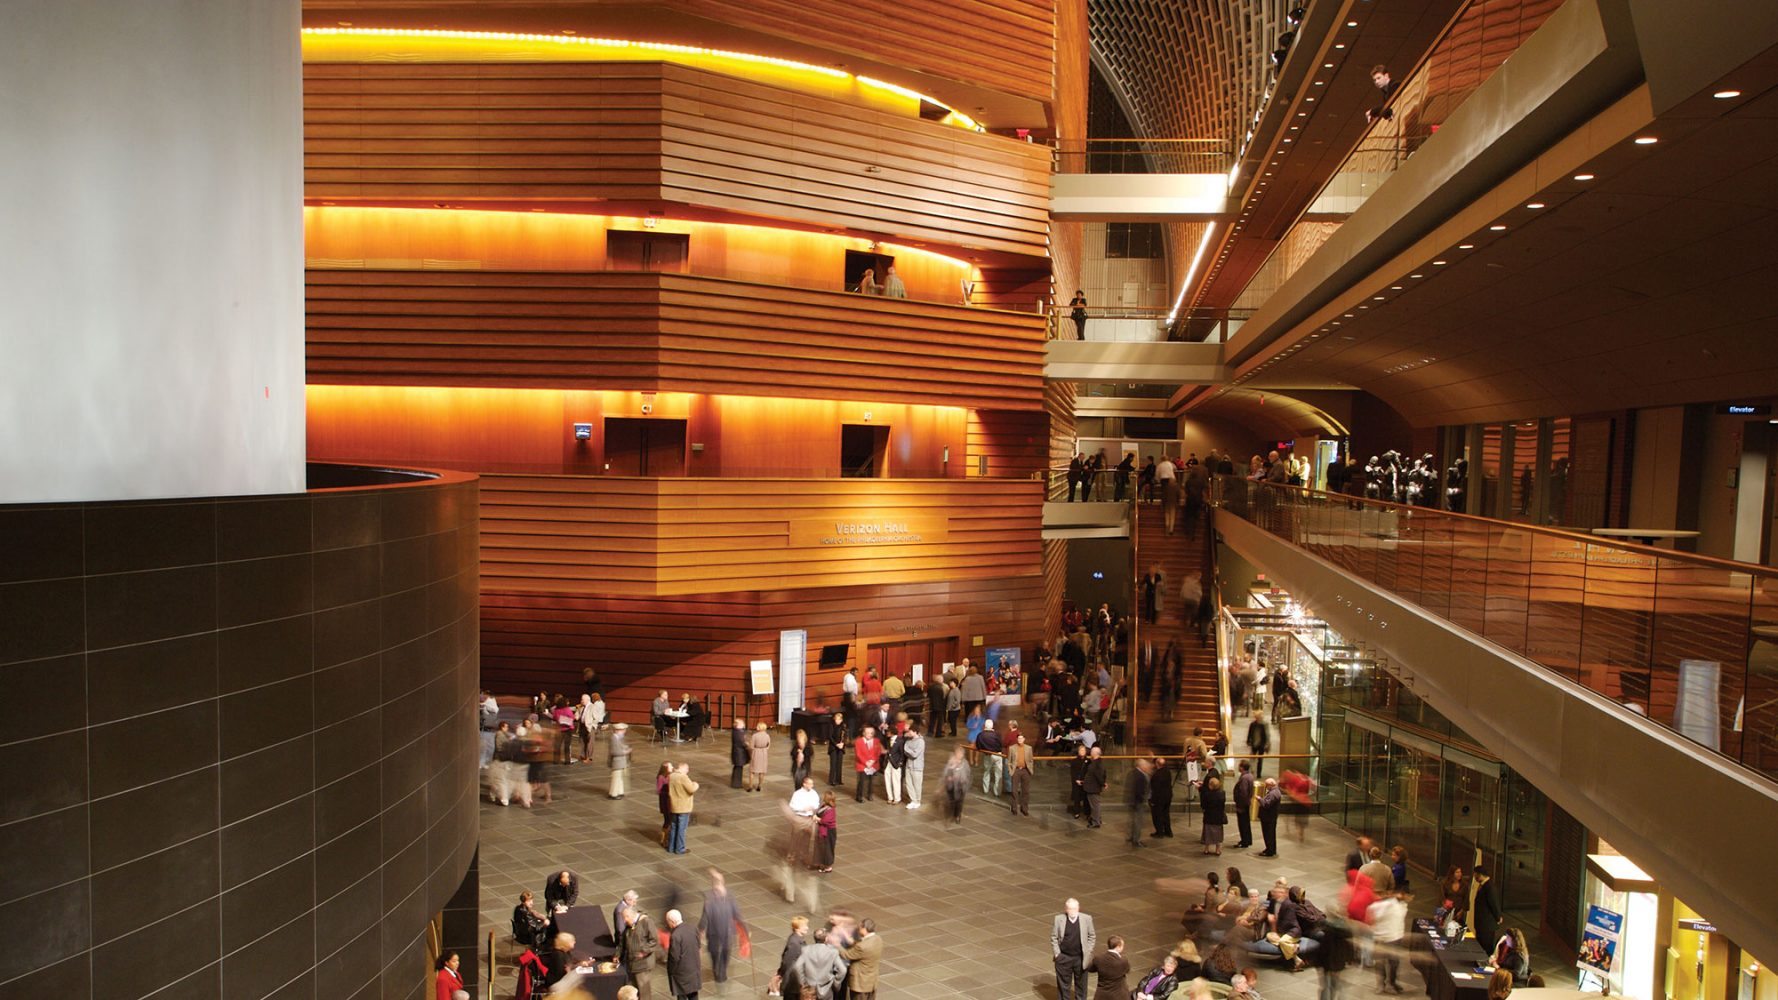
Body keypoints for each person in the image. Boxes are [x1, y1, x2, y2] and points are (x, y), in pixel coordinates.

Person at [698, 869, 743, 986]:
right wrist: (700, 930)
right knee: (713, 952)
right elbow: (705, 916)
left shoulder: (730, 897)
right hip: (714, 932)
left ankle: (722, 971)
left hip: (727, 931)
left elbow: (736, 914)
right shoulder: (709, 899)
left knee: (726, 951)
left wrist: (745, 929)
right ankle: (716, 969)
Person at [1053, 898, 1097, 1000]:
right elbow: (1054, 937)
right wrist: (1057, 954)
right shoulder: (1058, 919)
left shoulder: (1086, 919)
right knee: (1063, 986)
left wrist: (1088, 951)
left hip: (1080, 958)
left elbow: (1092, 936)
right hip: (1064, 957)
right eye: (1070, 909)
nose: (1072, 911)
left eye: (1074, 909)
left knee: (1081, 986)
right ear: (1066, 909)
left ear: (1078, 909)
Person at [1369, 889, 1409, 993]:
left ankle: (1391, 982)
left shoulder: (1403, 906)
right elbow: (1374, 914)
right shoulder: (1385, 905)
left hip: (1395, 937)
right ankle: (1381, 984)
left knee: (1394, 963)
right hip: (1381, 937)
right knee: (1380, 962)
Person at [794, 927, 846, 1000]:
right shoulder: (833, 952)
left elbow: (797, 966)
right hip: (826, 989)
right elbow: (843, 970)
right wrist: (835, 983)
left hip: (809, 988)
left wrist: (803, 982)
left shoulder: (806, 949)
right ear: (826, 939)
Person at [621, 906, 660, 1000]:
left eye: (625, 917)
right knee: (633, 990)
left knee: (643, 992)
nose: (624, 920)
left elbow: (654, 940)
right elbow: (624, 940)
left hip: (643, 964)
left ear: (630, 915)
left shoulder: (646, 922)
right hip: (632, 963)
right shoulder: (629, 925)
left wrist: (644, 952)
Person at [839, 918, 883, 1000]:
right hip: (871, 981)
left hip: (860, 984)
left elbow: (846, 955)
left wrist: (837, 944)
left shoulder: (862, 947)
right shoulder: (878, 939)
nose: (858, 929)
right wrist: (852, 941)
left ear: (864, 929)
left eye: (859, 928)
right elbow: (863, 945)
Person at [665, 908, 701, 1000]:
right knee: (693, 995)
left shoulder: (675, 935)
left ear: (672, 921)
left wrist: (671, 970)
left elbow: (674, 957)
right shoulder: (693, 928)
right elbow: (698, 946)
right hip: (694, 970)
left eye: (667, 921)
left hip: (681, 974)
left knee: (682, 996)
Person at [772, 916, 809, 998]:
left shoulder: (797, 939)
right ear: (797, 929)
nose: (807, 928)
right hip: (793, 981)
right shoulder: (795, 943)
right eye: (804, 926)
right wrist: (781, 973)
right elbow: (787, 962)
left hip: (794, 979)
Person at [667, 763, 699, 854]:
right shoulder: (683, 777)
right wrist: (695, 784)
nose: (688, 771)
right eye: (687, 769)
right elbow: (691, 789)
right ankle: (680, 848)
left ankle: (671, 847)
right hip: (683, 807)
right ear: (682, 768)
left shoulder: (672, 776)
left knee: (673, 826)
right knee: (681, 828)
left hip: (674, 805)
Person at [1089, 935, 1131, 1000]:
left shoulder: (1098, 958)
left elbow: (1091, 969)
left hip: (1102, 995)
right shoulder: (1123, 961)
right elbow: (1127, 970)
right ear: (1118, 946)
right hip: (1119, 995)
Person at [1472, 865, 1503, 948]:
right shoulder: (1483, 885)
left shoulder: (1489, 887)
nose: (1474, 877)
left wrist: (1498, 917)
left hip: (1486, 925)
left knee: (1486, 946)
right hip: (1481, 924)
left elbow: (1494, 904)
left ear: (1480, 875)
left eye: (1475, 875)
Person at [1126, 756, 1152, 848]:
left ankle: (1132, 837)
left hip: (1132, 801)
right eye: (1145, 766)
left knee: (1133, 821)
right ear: (1141, 766)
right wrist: (1143, 800)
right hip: (1138, 802)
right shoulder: (1140, 776)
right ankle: (1136, 840)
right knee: (1138, 822)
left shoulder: (1132, 772)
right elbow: (1139, 790)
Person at [853, 725, 883, 802]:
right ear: (863, 733)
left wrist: (873, 760)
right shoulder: (858, 741)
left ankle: (869, 794)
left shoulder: (876, 741)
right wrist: (866, 762)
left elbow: (878, 752)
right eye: (868, 733)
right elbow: (858, 754)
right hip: (862, 764)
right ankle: (859, 796)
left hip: (873, 764)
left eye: (871, 733)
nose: (870, 735)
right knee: (862, 781)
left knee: (871, 781)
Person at [1008, 731, 1035, 816]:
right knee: (1014, 790)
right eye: (1018, 738)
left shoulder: (1029, 748)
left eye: (1021, 738)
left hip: (1025, 770)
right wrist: (1011, 771)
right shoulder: (1012, 748)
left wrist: (1030, 769)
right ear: (1017, 739)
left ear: (1024, 739)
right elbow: (1009, 761)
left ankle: (1024, 808)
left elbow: (1030, 760)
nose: (1020, 740)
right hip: (1016, 770)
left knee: (1025, 791)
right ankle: (1014, 808)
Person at [1199, 772, 1226, 855]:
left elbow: (1203, 805)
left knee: (1208, 833)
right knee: (1218, 834)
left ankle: (1206, 848)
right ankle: (1218, 849)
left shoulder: (1207, 795)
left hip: (1209, 816)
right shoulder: (1222, 794)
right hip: (1218, 817)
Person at [1081, 745, 1108, 828]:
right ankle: (1096, 819)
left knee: (1095, 806)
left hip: (1093, 787)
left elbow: (1100, 776)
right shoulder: (1095, 762)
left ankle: (1096, 822)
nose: (1090, 753)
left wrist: (1103, 783)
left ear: (1095, 753)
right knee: (1095, 805)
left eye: (1092, 752)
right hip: (1091, 787)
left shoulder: (1097, 764)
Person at [977, 718, 1005, 795]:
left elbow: (978, 747)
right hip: (997, 755)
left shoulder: (980, 735)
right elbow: (1001, 744)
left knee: (986, 772)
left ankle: (985, 789)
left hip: (987, 755)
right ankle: (997, 792)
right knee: (998, 774)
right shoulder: (997, 735)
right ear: (992, 726)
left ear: (985, 726)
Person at [943, 745, 970, 823]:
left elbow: (967, 773)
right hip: (951, 786)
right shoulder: (951, 761)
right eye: (957, 753)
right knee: (952, 800)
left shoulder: (965, 763)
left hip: (961, 786)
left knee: (959, 802)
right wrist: (949, 777)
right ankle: (952, 813)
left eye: (960, 754)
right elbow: (946, 771)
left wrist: (963, 780)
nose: (959, 755)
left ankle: (957, 815)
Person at [902, 722, 926, 809]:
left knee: (917, 784)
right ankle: (913, 800)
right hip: (909, 766)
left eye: (910, 731)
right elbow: (906, 750)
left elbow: (915, 754)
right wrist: (909, 751)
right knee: (909, 783)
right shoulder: (908, 741)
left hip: (917, 767)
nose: (908, 733)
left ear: (915, 731)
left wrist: (908, 750)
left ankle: (917, 800)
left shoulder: (920, 742)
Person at [814, 792, 837, 872]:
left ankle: (828, 866)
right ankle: (823, 863)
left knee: (828, 848)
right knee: (823, 848)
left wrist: (816, 819)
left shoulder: (831, 810)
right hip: (824, 830)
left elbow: (825, 821)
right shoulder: (824, 806)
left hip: (829, 832)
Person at [608, 722, 631, 798]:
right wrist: (625, 752)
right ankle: (613, 793)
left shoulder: (618, 738)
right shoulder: (614, 738)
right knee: (616, 779)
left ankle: (620, 791)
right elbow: (614, 751)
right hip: (617, 762)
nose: (624, 732)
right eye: (623, 730)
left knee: (619, 778)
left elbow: (620, 746)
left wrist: (625, 747)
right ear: (617, 730)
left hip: (620, 762)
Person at [748, 722, 772, 793]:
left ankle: (750, 786)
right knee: (762, 771)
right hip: (764, 753)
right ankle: (759, 785)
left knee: (752, 771)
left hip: (756, 753)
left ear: (760, 727)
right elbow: (768, 745)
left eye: (758, 726)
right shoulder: (767, 736)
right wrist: (764, 749)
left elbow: (751, 746)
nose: (756, 727)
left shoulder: (754, 736)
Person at [1247, 711, 1270, 777]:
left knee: (1260, 759)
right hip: (1254, 743)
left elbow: (1267, 735)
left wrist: (1266, 744)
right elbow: (1250, 733)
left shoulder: (1264, 725)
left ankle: (1259, 773)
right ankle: (1252, 771)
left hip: (1261, 744)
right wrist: (1248, 740)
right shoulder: (1252, 724)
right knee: (1252, 758)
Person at [826, 714, 846, 786]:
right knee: (833, 764)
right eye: (836, 719)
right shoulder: (831, 726)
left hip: (841, 747)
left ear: (841, 720)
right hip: (833, 747)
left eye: (839, 719)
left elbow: (844, 736)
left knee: (839, 764)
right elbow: (830, 736)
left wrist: (843, 743)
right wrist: (836, 744)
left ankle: (838, 780)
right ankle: (832, 780)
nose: (838, 721)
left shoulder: (843, 726)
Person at [730, 719, 750, 789]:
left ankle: (736, 783)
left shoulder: (738, 731)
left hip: (738, 753)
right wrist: (747, 745)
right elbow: (742, 742)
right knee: (738, 769)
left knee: (738, 768)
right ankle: (736, 784)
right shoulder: (738, 733)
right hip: (739, 754)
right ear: (737, 725)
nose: (743, 724)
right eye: (742, 724)